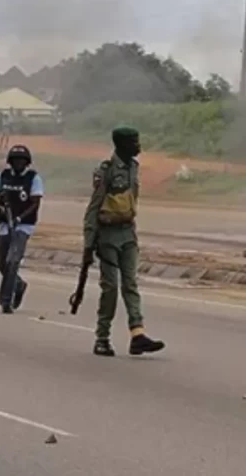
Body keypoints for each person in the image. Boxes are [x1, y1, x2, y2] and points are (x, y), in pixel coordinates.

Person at [83, 126, 165, 357]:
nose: (138, 146)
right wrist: (89, 244)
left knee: (130, 284)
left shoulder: (133, 168)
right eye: (134, 142)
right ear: (121, 145)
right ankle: (102, 338)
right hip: (107, 236)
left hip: (128, 233)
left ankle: (137, 334)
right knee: (110, 288)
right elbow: (94, 207)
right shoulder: (106, 171)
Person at [0, 144, 43, 314]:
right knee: (1, 261)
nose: (18, 163)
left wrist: (19, 218)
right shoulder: (3, 176)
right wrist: (0, 209)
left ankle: (6, 301)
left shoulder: (33, 178)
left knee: (13, 261)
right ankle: (18, 285)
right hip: (5, 224)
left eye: (22, 161)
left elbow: (35, 204)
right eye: (16, 160)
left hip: (24, 226)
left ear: (27, 162)